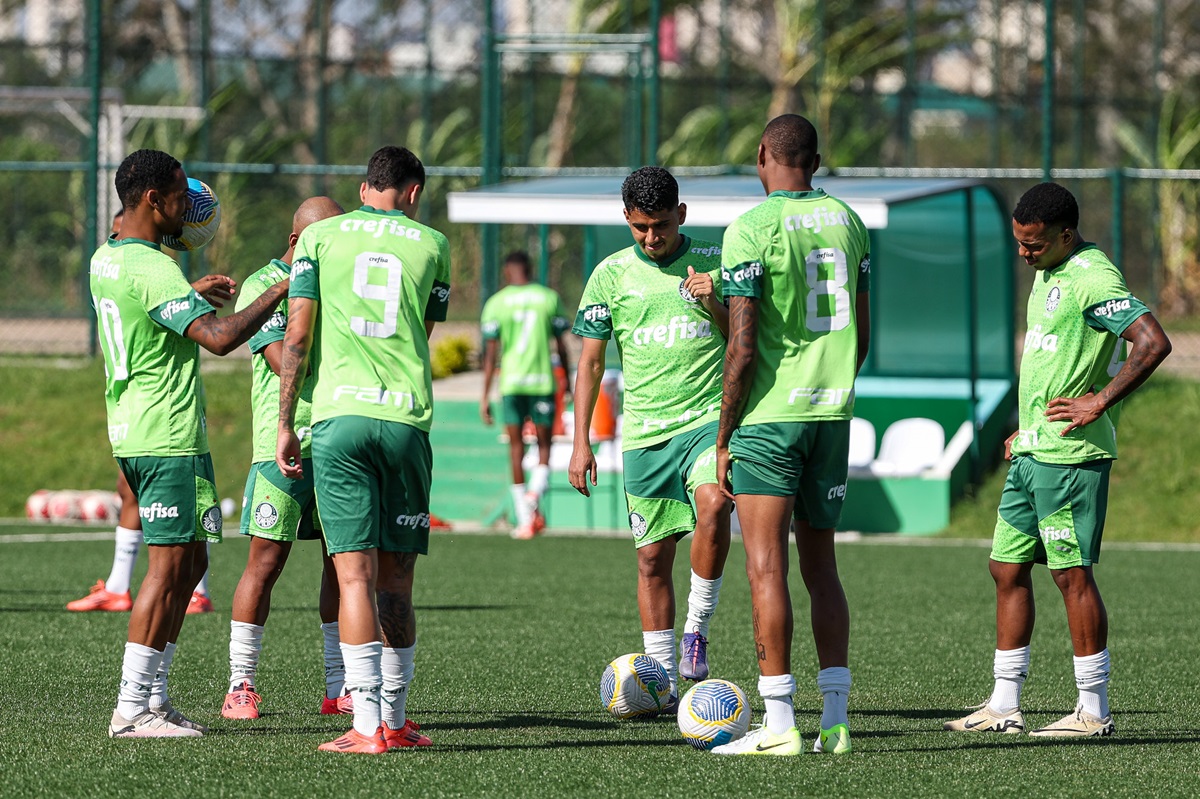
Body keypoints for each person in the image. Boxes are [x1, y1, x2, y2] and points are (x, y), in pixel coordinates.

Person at [944, 182, 1171, 738]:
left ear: (1066, 234)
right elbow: (1054, 357)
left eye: (1035, 244)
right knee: (1006, 568)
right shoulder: (1051, 272)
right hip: (1032, 452)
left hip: (1069, 460)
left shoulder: (1093, 276)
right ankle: (1004, 704)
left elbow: (1152, 342)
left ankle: (1092, 711)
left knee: (1070, 576)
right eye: (1019, 243)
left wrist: (1099, 400)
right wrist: (1026, 428)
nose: (1024, 254)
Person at [94, 149, 294, 738]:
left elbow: (151, 309)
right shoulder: (154, 270)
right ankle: (132, 709)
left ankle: (154, 699)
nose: (191, 205)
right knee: (169, 566)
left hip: (143, 428)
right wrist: (283, 286)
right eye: (183, 195)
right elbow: (221, 339)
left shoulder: (109, 256)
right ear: (154, 199)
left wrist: (189, 293)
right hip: (165, 434)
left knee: (194, 560)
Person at [277, 145, 449, 754]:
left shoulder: (321, 237)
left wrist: (284, 424)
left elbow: (297, 334)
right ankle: (398, 723)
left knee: (354, 578)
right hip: (406, 421)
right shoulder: (432, 244)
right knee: (398, 581)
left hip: (339, 419)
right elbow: (423, 331)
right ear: (413, 193)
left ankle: (366, 726)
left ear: (362, 187)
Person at [712, 114, 871, 756]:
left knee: (764, 566)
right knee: (822, 569)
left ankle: (779, 725)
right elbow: (864, 334)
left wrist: (725, 435)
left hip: (771, 420)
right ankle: (835, 722)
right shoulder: (850, 222)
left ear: (762, 155)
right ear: (817, 160)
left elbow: (743, 347)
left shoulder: (750, 227)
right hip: (831, 416)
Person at [569, 166, 732, 706]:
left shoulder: (714, 262)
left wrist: (714, 300)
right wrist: (580, 441)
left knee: (714, 505)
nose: (651, 237)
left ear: (681, 215)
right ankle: (660, 679)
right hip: (644, 436)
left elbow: (746, 338)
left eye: (661, 225)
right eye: (640, 227)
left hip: (707, 420)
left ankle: (696, 628)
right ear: (626, 219)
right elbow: (590, 364)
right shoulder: (609, 276)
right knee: (651, 559)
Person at [220, 196, 350, 721]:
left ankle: (339, 688)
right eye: (326, 242)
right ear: (298, 243)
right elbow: (280, 358)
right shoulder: (261, 285)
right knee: (265, 563)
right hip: (281, 446)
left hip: (338, 440)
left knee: (342, 565)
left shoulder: (340, 283)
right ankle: (241, 684)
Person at [69, 208, 216, 615]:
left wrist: (190, 296)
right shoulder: (141, 265)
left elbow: (176, 321)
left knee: (173, 563)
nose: (120, 238)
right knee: (167, 558)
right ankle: (122, 594)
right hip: (147, 416)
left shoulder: (108, 261)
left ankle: (167, 592)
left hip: (147, 417)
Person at [479, 251, 572, 539]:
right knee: (545, 444)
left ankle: (523, 518)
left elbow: (490, 352)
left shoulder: (496, 302)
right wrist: (567, 381)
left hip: (511, 384)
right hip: (543, 381)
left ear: (507, 272)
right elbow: (561, 344)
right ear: (530, 269)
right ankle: (535, 494)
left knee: (516, 447)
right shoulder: (548, 297)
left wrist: (484, 395)